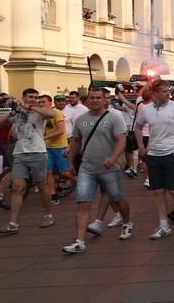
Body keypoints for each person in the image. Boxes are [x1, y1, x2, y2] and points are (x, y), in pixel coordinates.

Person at [61, 87, 134, 253]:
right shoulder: (81, 120)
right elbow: (76, 142)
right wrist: (71, 162)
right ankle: (79, 241)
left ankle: (127, 221)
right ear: (86, 101)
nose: (94, 101)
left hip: (108, 168)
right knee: (82, 203)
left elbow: (121, 140)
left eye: (98, 98)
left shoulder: (114, 118)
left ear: (104, 100)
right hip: (87, 168)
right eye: (91, 98)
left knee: (117, 197)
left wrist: (114, 158)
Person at [134, 80, 174, 239]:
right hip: (154, 154)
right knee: (157, 191)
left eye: (168, 91)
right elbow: (137, 126)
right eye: (163, 91)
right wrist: (141, 146)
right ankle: (164, 226)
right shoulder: (146, 109)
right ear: (155, 93)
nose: (167, 94)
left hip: (172, 152)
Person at [0, 89, 58, 234]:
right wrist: (13, 112)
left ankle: (48, 215)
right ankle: (13, 223)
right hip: (20, 153)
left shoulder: (40, 111)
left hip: (37, 152)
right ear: (24, 97)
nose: (34, 99)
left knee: (41, 186)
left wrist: (31, 107)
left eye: (35, 97)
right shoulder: (18, 113)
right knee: (16, 187)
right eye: (30, 97)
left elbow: (51, 114)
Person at [39, 94, 71, 205]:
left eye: (43, 102)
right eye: (40, 102)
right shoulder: (41, 116)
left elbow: (60, 130)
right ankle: (53, 195)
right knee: (48, 172)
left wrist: (44, 137)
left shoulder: (56, 113)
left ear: (50, 103)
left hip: (59, 146)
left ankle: (83, 184)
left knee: (65, 173)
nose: (41, 104)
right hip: (47, 147)